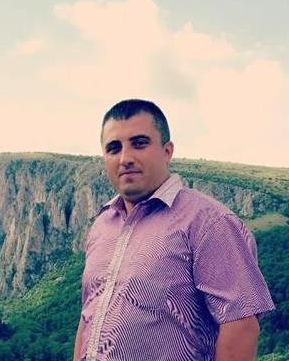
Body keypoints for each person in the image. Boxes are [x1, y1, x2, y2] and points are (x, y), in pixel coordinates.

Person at [73, 99, 275, 361]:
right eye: (114, 148)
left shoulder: (208, 222)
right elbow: (89, 315)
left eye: (139, 143)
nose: (125, 158)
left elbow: (241, 325)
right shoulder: (102, 225)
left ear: (167, 151)